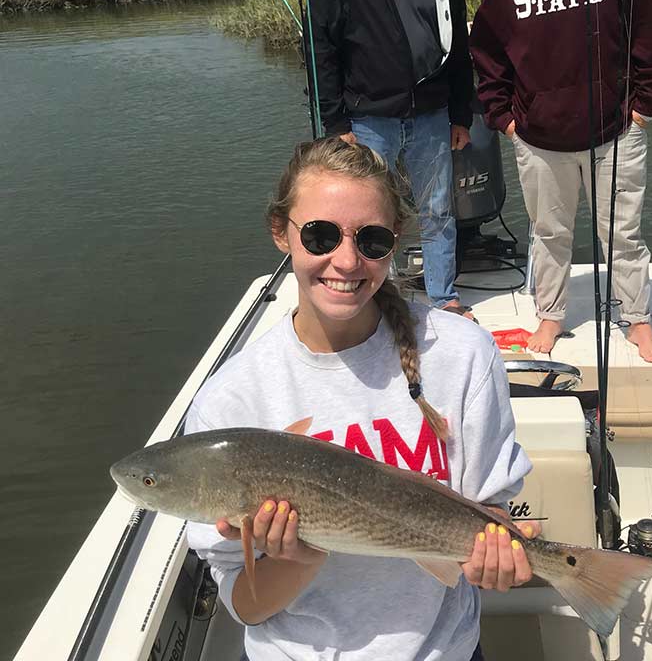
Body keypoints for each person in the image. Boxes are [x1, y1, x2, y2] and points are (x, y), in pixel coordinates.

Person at [186, 138, 538, 661]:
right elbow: (246, 605)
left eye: (371, 240)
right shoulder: (233, 397)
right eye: (321, 234)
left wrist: (496, 558)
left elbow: (487, 514)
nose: (346, 261)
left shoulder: (461, 353)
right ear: (281, 233)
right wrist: (298, 559)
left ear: (395, 242)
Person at [470, 0, 652, 363]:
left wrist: (643, 109)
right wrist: (507, 121)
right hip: (539, 140)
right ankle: (552, 313)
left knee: (623, 235)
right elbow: (487, 58)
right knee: (549, 235)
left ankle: (636, 318)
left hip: (614, 134)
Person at [309, 0, 476, 320]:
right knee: (367, 216)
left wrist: (462, 113)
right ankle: (376, 298)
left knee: (439, 210)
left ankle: (444, 299)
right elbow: (321, 51)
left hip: (431, 116)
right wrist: (337, 124)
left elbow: (458, 47)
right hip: (368, 120)